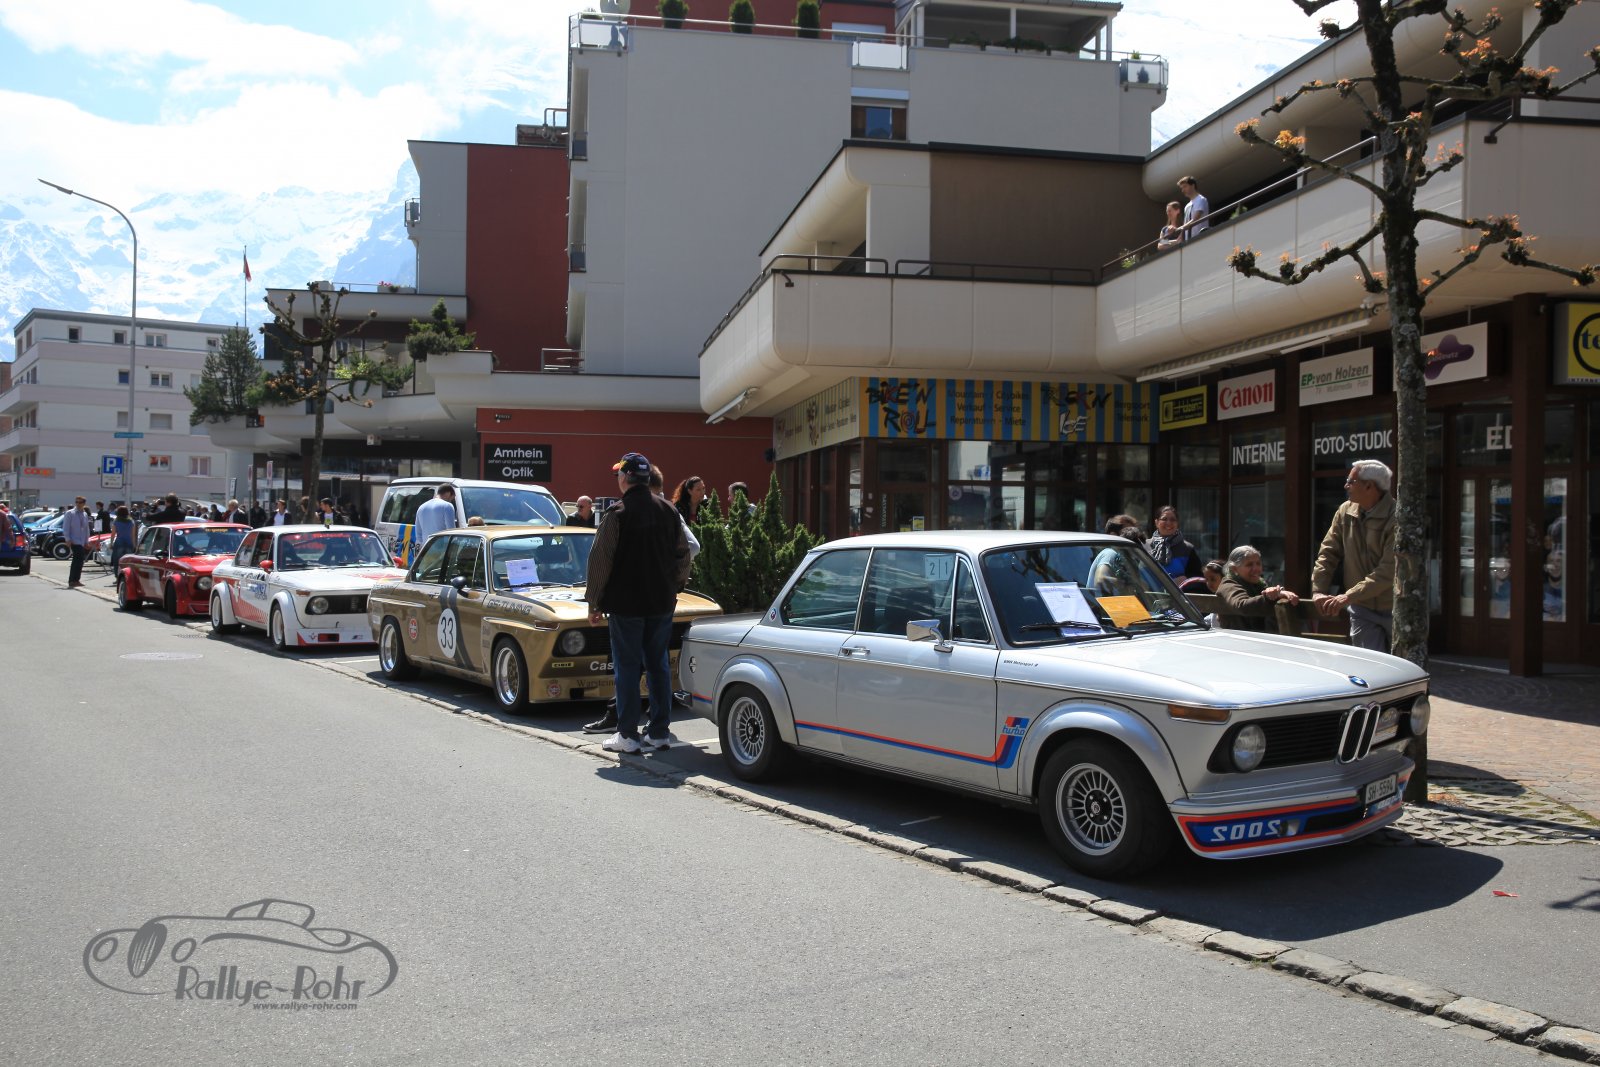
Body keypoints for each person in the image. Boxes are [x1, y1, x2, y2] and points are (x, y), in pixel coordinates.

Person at [586, 452, 691, 754]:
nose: (617, 478)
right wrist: (675, 586)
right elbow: (683, 554)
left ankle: (628, 735)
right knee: (658, 665)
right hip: (661, 601)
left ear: (625, 477)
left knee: (628, 668)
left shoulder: (618, 513)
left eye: (619, 474)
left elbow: (600, 560)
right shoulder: (669, 510)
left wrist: (594, 602)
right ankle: (659, 732)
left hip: (626, 604)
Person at [1311, 459, 1397, 652]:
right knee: (1370, 664)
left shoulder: (1396, 516)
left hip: (1394, 607)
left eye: (1351, 481)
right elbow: (1328, 552)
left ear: (1369, 486)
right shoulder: (1345, 511)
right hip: (1362, 608)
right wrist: (1318, 590)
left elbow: (1388, 571)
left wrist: (1347, 596)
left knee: (1401, 667)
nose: (1346, 486)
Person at [1216, 545, 1299, 632]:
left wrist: (1280, 593)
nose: (1256, 568)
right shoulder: (1229, 584)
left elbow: (1271, 596)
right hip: (1238, 637)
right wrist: (1269, 597)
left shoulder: (1260, 584)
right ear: (1234, 569)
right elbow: (1242, 605)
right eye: (1249, 565)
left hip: (1258, 636)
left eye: (1258, 563)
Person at [1147, 505, 1205, 581]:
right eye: (1164, 519)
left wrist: (1184, 579)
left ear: (1177, 523)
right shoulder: (1144, 546)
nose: (1168, 523)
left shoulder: (1187, 549)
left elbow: (1197, 577)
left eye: (1173, 519)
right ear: (1156, 522)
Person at [64, 496, 92, 587]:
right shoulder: (70, 513)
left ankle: (76, 580)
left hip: (81, 541)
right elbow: (66, 527)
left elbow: (86, 529)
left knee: (80, 560)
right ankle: (72, 580)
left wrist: (86, 541)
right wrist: (67, 539)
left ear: (84, 503)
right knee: (77, 559)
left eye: (80, 502)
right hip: (74, 540)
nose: (78, 504)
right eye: (77, 502)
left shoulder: (84, 514)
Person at [1178, 175, 1210, 239]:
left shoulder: (1201, 199)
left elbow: (1196, 218)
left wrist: (1180, 228)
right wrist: (1178, 239)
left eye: (1185, 187)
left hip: (1201, 238)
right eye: (1182, 188)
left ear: (1193, 185)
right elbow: (1186, 224)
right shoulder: (1187, 206)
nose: (1183, 190)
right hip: (1189, 240)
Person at [110, 506, 136, 571]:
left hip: (119, 542)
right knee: (128, 562)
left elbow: (113, 534)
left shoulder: (116, 521)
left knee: (117, 560)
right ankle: (127, 574)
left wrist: (111, 543)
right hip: (129, 542)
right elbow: (133, 535)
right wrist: (134, 544)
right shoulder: (131, 521)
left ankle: (117, 574)